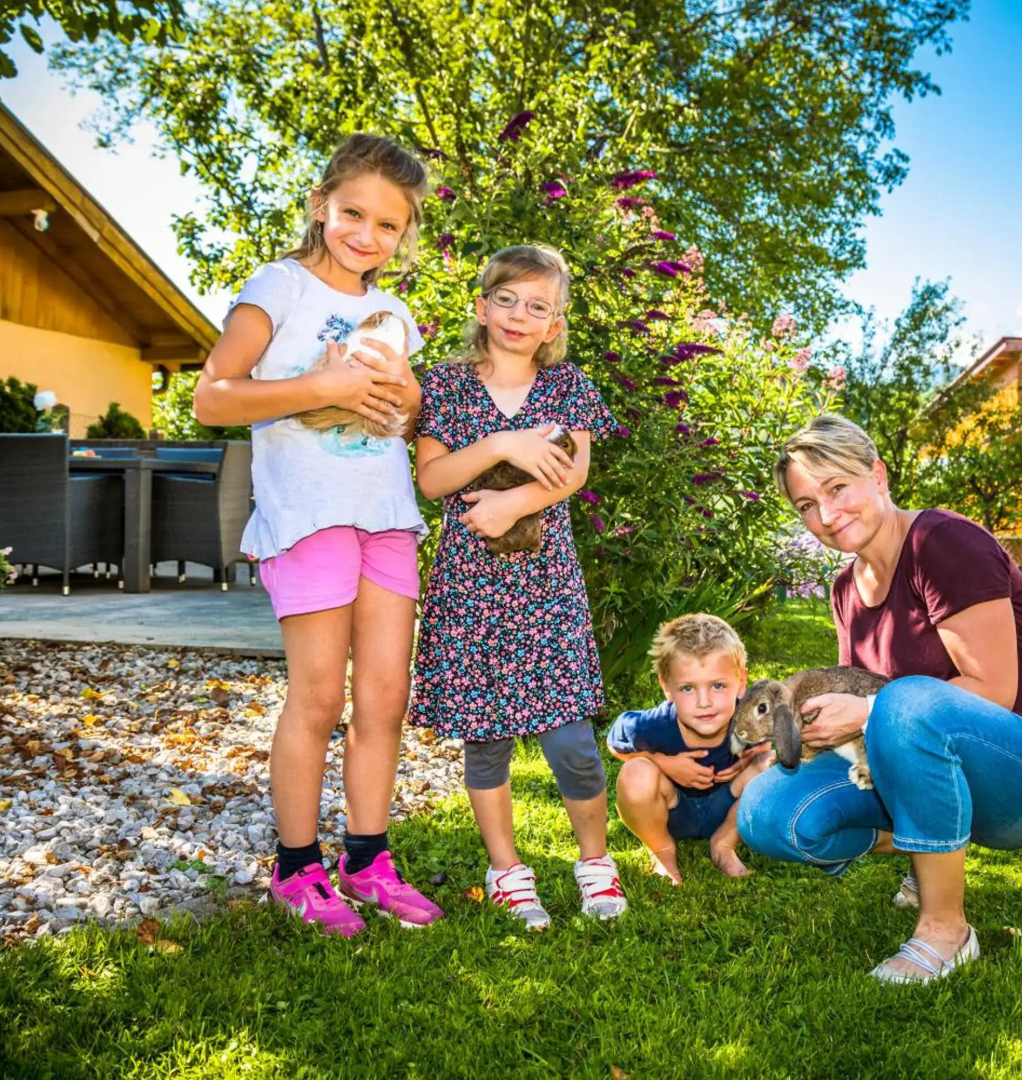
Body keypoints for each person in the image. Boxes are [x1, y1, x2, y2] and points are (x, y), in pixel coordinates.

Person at [738, 414, 1022, 983]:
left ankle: (946, 931)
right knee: (768, 815)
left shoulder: (943, 542)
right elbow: (857, 697)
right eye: (806, 505)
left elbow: (992, 691)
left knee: (905, 703)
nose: (825, 515)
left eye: (837, 489)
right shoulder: (844, 590)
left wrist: (872, 711)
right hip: (927, 755)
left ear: (878, 475)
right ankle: (929, 849)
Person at [193, 133, 444, 936]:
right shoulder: (279, 285)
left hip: (387, 517)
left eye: (388, 226)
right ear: (321, 206)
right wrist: (322, 384)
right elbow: (213, 398)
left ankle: (367, 861)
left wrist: (404, 402)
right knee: (317, 697)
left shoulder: (396, 313)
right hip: (309, 515)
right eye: (353, 214)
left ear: (406, 237)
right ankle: (295, 869)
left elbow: (401, 422)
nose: (367, 235)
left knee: (384, 696)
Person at [410, 244, 624, 930]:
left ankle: (595, 863)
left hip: (546, 584)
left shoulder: (569, 389)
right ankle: (507, 871)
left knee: (572, 741)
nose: (519, 315)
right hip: (469, 589)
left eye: (538, 306)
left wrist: (511, 504)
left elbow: (575, 473)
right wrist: (503, 445)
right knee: (487, 739)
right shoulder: (444, 385)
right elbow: (434, 480)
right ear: (481, 306)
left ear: (554, 325)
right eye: (507, 299)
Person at [607, 614, 773, 883]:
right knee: (635, 771)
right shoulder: (652, 724)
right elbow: (614, 742)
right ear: (667, 687)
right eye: (687, 688)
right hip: (674, 810)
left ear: (741, 682)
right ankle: (662, 850)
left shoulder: (751, 716)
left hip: (727, 806)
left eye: (718, 685)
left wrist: (755, 754)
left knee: (772, 763)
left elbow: (776, 736)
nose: (704, 702)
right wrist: (663, 762)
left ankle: (725, 843)